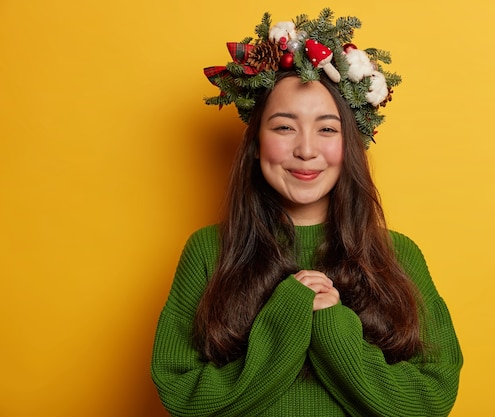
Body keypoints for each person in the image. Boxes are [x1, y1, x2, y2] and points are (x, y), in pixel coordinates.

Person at [151, 9, 462, 417]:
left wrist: (333, 326)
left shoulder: (399, 256)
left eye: (327, 129)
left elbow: (431, 399)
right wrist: (288, 312)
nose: (306, 150)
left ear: (350, 145)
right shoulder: (210, 251)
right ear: (256, 142)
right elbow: (182, 397)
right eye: (284, 127)